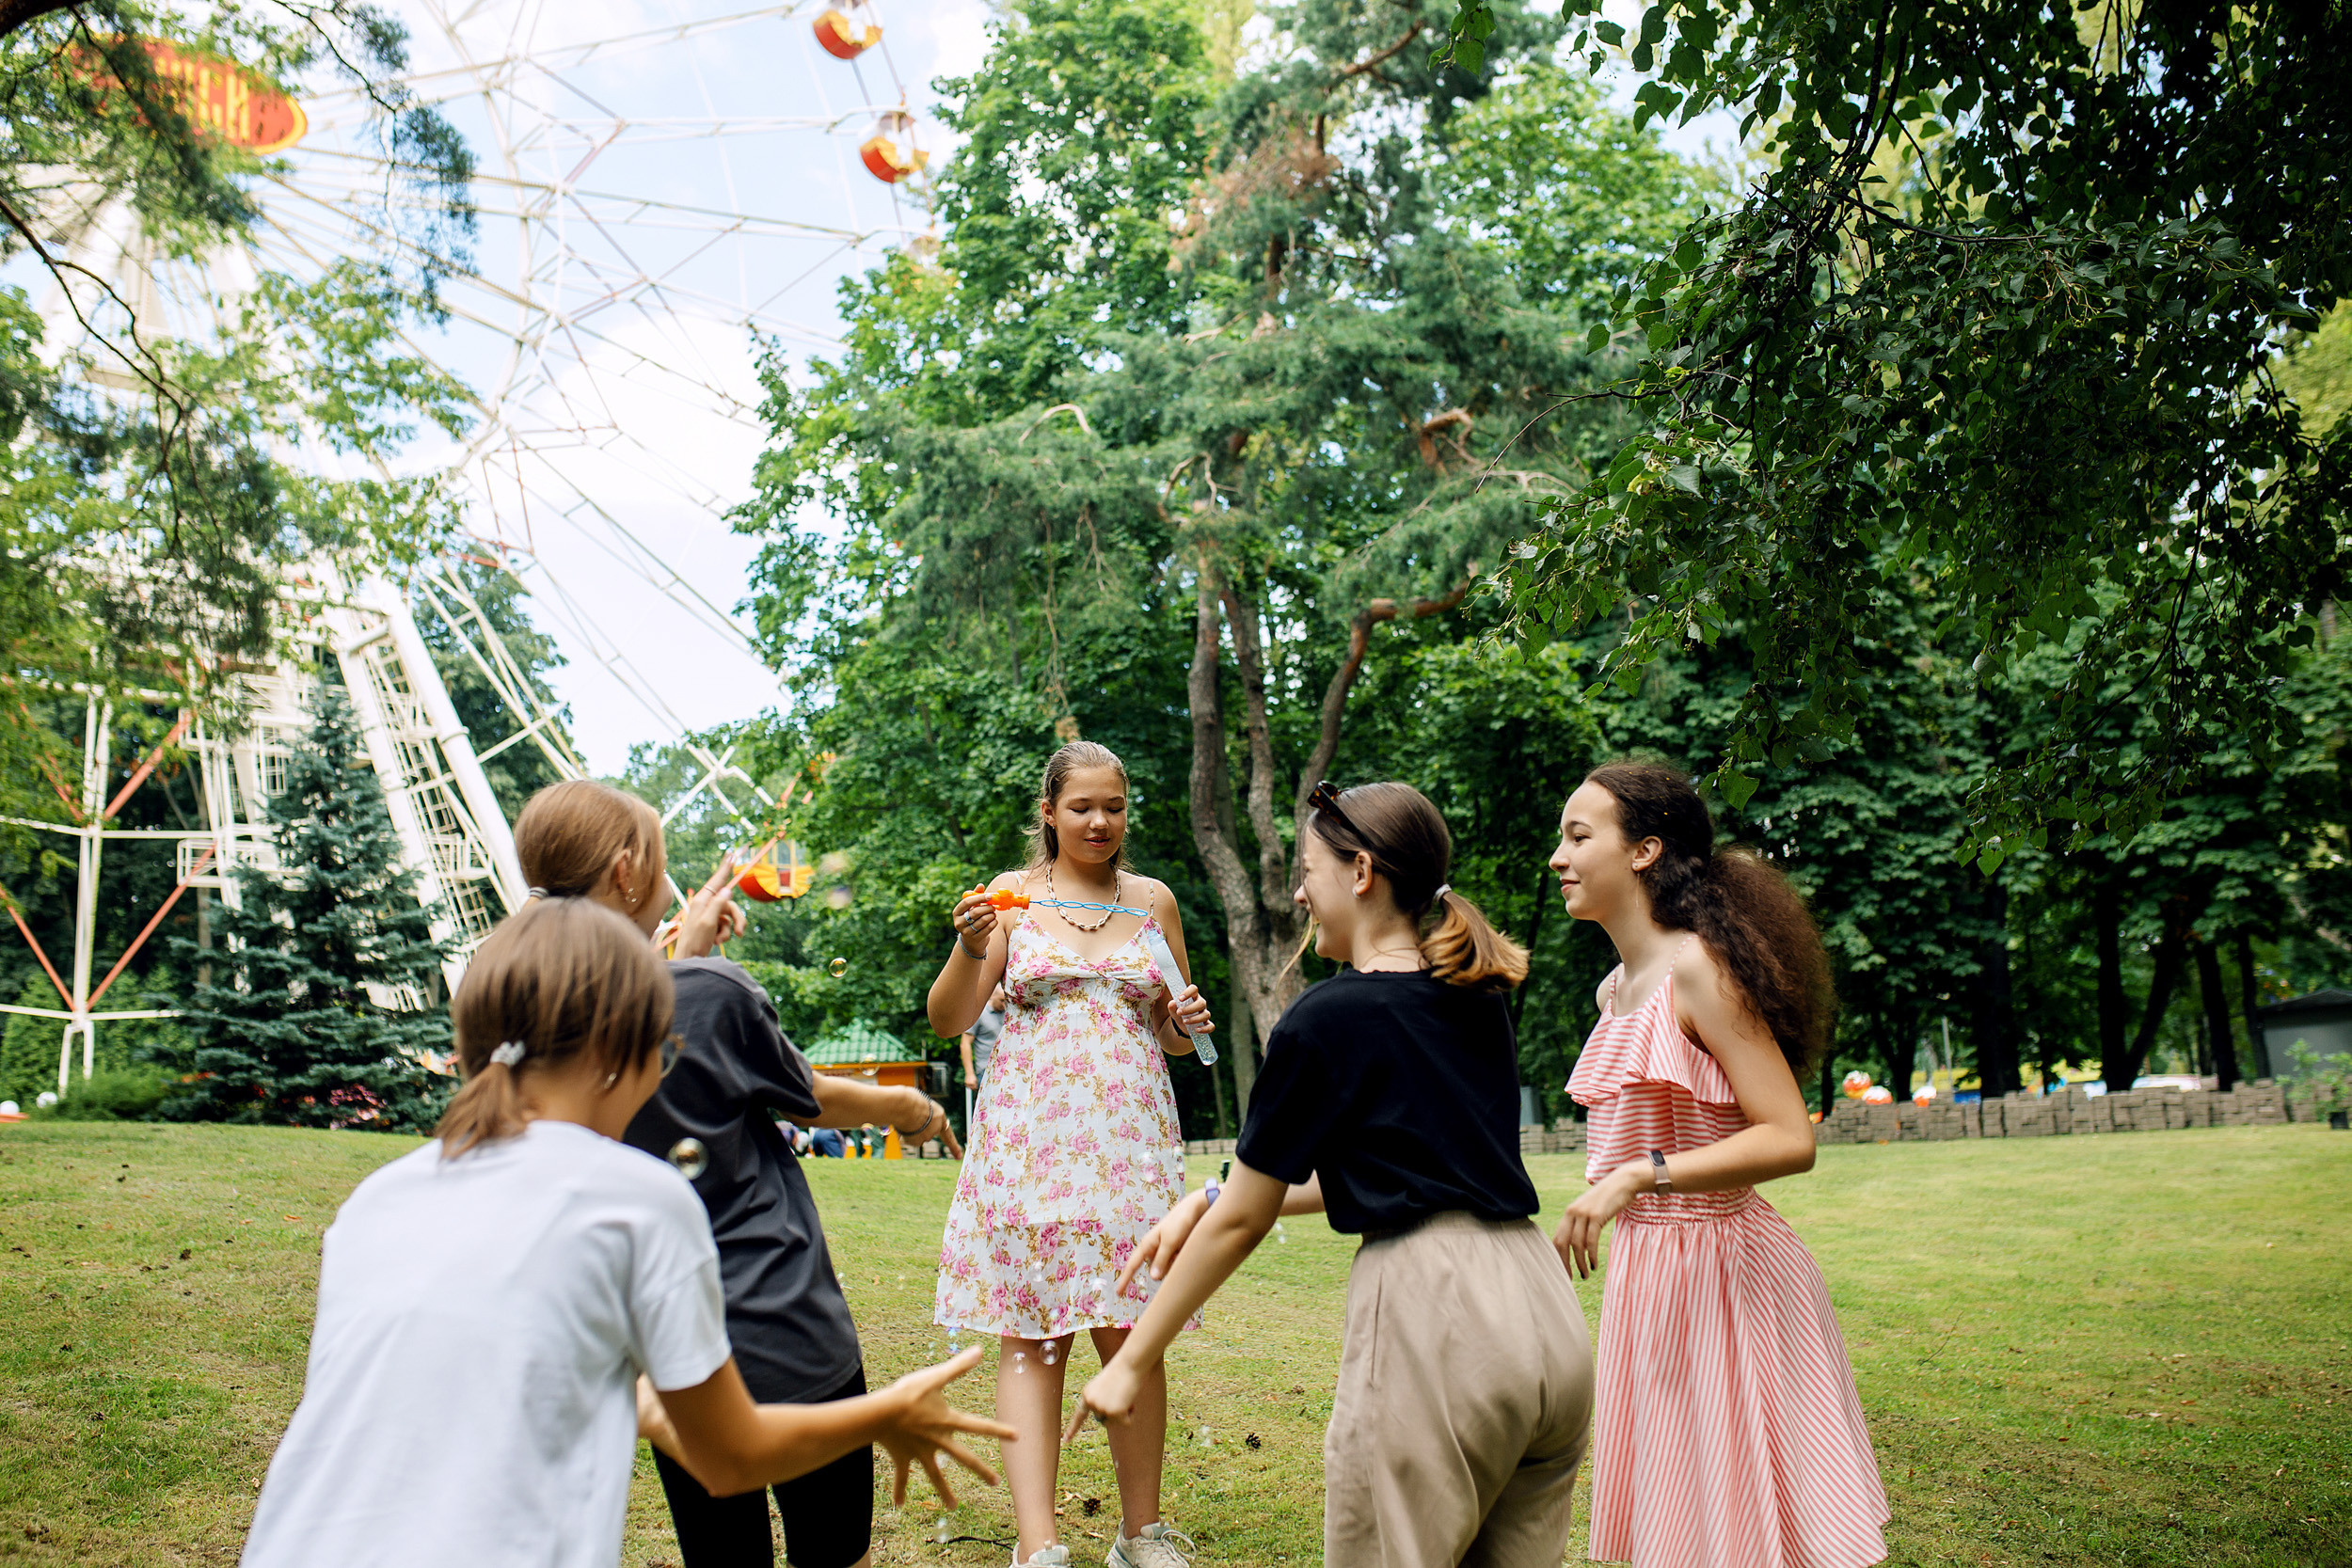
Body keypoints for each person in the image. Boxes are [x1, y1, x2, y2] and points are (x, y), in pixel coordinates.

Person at [239, 897, 1009, 1568]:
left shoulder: (381, 1197)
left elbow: (595, 1388)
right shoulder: (640, 1198)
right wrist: (888, 1414)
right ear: (631, 1054)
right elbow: (730, 1454)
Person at [1069, 781, 1593, 1568]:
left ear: (1361, 872)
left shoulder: (1325, 1019)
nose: (1297, 891)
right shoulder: (1476, 998)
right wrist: (1208, 1194)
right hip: (1543, 1318)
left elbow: (1248, 1218)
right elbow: (1398, 1165)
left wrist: (1134, 1357)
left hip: (1434, 1319)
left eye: (1308, 869)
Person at [514, 779, 964, 1568]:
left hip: (669, 1338)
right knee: (836, 1551)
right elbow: (809, 1095)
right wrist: (903, 1107)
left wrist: (683, 956)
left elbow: (668, 1044)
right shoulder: (714, 994)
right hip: (784, 1319)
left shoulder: (535, 1013)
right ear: (627, 872)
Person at [1549, 761, 1887, 1568]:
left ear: (1644, 851)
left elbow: (1788, 1136)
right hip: (1651, 1274)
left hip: (1726, 1272)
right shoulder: (1615, 988)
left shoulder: (1697, 968)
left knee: (1741, 1519)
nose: (1557, 858)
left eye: (1577, 836)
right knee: (1686, 1507)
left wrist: (1639, 1175)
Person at [925, 740, 1216, 1568]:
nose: (1100, 821)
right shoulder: (1008, 900)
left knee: (1132, 1330)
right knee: (1034, 1335)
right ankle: (1038, 1543)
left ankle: (1141, 1533)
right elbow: (949, 1019)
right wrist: (968, 944)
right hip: (1030, 1147)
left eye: (1114, 807)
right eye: (1082, 806)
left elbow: (1171, 1034)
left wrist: (1186, 1017)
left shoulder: (1154, 901)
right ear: (1049, 812)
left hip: (1128, 1145)